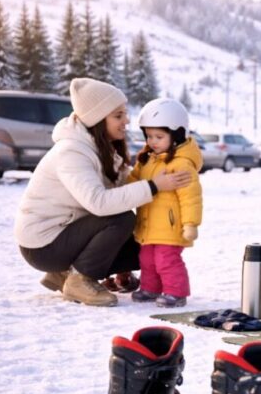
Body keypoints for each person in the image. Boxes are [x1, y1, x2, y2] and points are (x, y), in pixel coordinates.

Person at [14, 78, 192, 307]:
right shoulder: (71, 152)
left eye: (124, 114)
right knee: (122, 218)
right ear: (97, 119)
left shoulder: (100, 149)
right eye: (118, 116)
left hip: (65, 233)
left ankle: (63, 274)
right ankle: (79, 279)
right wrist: (154, 186)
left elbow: (122, 188)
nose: (126, 121)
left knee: (146, 238)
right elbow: (99, 203)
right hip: (43, 245)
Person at [128, 98, 202, 308]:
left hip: (171, 227)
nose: (153, 141)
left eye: (159, 136)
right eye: (149, 136)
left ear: (177, 135)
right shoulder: (148, 160)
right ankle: (150, 288)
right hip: (148, 226)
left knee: (166, 261)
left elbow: (191, 197)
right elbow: (132, 183)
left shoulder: (181, 165)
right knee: (147, 260)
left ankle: (176, 292)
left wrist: (191, 224)